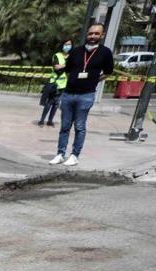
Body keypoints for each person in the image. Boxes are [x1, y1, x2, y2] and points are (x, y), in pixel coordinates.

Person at [50, 23, 114, 167]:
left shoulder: (105, 53)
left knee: (79, 126)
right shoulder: (77, 51)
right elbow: (68, 69)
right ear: (87, 34)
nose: (92, 37)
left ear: (102, 35)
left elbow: (108, 72)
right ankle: (60, 154)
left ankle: (74, 155)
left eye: (96, 34)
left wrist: (93, 80)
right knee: (65, 126)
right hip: (68, 94)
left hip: (86, 95)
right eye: (90, 33)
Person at [39, 37, 72, 127]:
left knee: (56, 104)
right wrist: (67, 65)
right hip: (55, 83)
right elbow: (57, 67)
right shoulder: (57, 55)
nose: (67, 46)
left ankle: (50, 121)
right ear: (62, 45)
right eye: (66, 44)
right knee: (49, 102)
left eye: (69, 44)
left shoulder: (71, 56)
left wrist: (64, 66)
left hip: (64, 84)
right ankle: (42, 120)